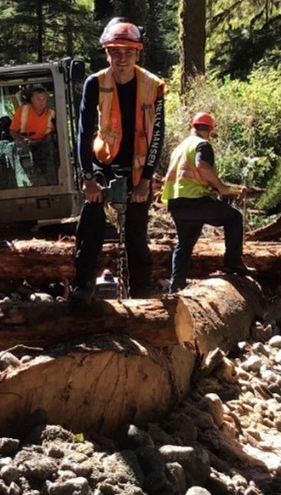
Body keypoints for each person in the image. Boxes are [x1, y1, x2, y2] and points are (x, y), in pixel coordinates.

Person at [71, 17, 165, 303]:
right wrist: (88, 178)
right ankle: (83, 285)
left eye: (128, 52)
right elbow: (84, 131)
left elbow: (158, 133)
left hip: (137, 167)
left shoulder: (153, 86)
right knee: (90, 229)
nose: (121, 58)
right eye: (115, 51)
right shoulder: (95, 83)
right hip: (103, 163)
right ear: (107, 52)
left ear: (137, 53)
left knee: (136, 235)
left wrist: (145, 181)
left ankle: (142, 290)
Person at [161, 111, 254, 293]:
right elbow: (202, 166)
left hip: (176, 203)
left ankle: (176, 285)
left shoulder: (180, 147)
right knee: (233, 218)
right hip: (194, 200)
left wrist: (216, 188)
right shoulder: (202, 145)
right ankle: (232, 263)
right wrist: (221, 187)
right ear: (210, 130)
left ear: (192, 126)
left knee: (184, 244)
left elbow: (188, 175)